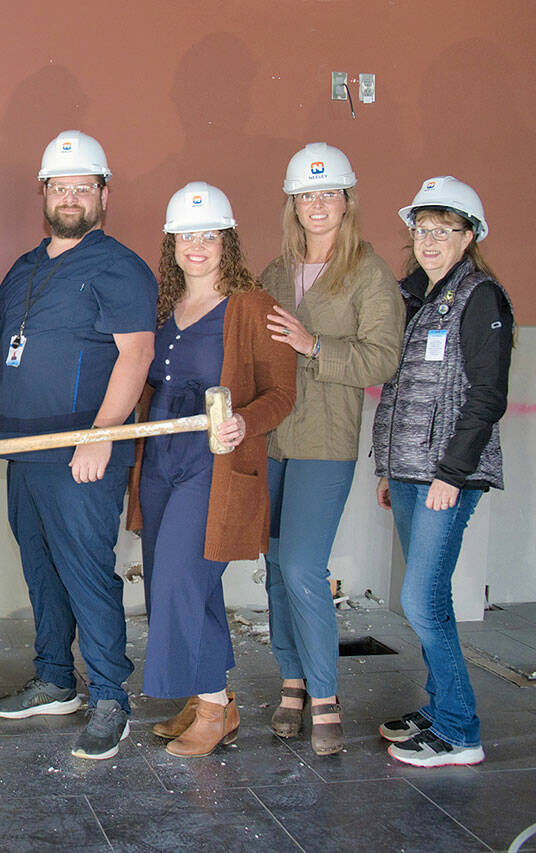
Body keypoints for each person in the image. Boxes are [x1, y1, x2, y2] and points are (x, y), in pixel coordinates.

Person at [0, 130, 156, 760]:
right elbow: (2, 352)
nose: (71, 196)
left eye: (84, 186)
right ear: (44, 193)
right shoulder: (23, 268)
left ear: (103, 193)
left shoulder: (121, 268)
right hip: (24, 450)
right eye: (61, 186)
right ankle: (55, 679)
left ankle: (110, 696)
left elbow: (136, 355)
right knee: (41, 568)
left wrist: (101, 437)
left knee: (85, 571)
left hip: (84, 451)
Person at [126, 183, 295, 756]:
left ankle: (214, 706)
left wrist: (245, 422)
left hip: (215, 463)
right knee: (178, 581)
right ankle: (209, 701)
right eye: (186, 235)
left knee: (179, 577)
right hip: (161, 459)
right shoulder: (161, 307)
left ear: (228, 241)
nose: (197, 245)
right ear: (171, 242)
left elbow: (281, 393)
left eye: (209, 234)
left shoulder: (254, 305)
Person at [258, 142, 404, 755]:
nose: (317, 204)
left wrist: (314, 344)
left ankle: (324, 693)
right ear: (293, 202)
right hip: (270, 438)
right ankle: (290, 681)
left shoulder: (368, 273)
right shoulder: (274, 271)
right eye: (306, 194)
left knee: (301, 566)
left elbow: (384, 358)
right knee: (272, 566)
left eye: (328, 193)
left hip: (325, 440)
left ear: (346, 201)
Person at [373, 177, 513, 768]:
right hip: (408, 472)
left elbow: (487, 395)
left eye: (444, 230)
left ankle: (460, 731)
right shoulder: (415, 295)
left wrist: (451, 475)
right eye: (421, 229)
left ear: (470, 236)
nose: (429, 241)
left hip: (446, 477)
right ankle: (438, 707)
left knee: (423, 599)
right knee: (424, 598)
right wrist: (390, 469)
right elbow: (403, 389)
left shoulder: (481, 297)